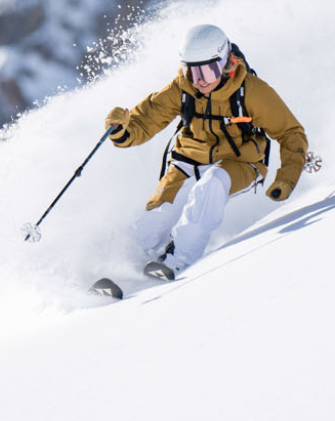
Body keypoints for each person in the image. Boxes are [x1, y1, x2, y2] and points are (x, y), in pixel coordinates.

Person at [104, 24, 310, 280]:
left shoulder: (253, 92)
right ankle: (122, 269)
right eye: (192, 71)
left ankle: (178, 259)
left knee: (211, 185)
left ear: (224, 63)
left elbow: (291, 133)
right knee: (159, 212)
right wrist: (122, 131)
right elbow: (145, 121)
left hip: (240, 162)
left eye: (208, 70)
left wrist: (286, 178)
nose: (199, 80)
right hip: (189, 159)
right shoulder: (182, 89)